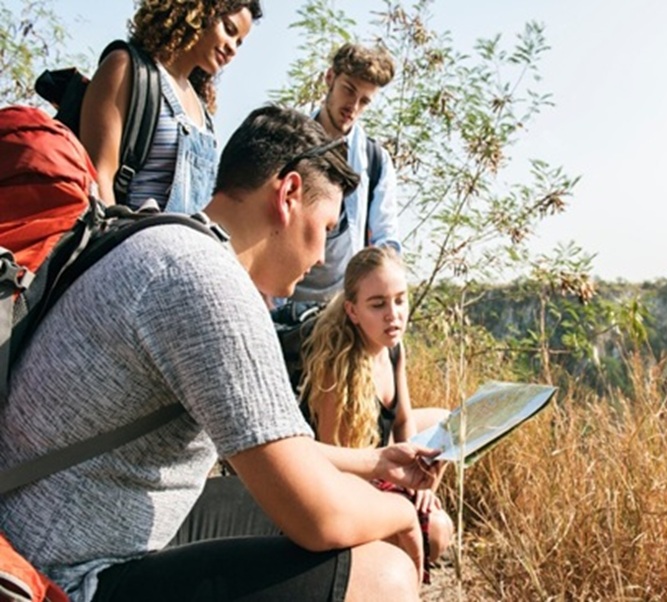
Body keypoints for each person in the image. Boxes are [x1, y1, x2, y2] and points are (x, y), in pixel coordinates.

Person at [0, 105, 439, 602]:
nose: (321, 257)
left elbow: (275, 444)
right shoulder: (209, 284)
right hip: (64, 573)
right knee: (382, 572)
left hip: (53, 525)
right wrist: (404, 514)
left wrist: (377, 462)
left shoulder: (163, 237)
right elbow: (320, 517)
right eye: (326, 226)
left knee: (354, 510)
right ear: (289, 194)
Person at [301, 246, 453, 568]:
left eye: (400, 299)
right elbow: (331, 466)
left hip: (381, 461)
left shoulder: (393, 349)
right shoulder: (338, 367)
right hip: (347, 476)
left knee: (448, 423)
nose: (393, 314)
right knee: (437, 530)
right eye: (378, 304)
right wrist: (395, 491)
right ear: (353, 311)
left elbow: (403, 422)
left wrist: (420, 479)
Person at [80, 0, 262, 212]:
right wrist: (114, 240)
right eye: (229, 30)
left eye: (239, 42)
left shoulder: (204, 113)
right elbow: (98, 174)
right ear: (199, 13)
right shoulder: (127, 68)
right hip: (127, 239)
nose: (232, 49)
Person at [289, 42, 401, 303]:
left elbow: (387, 239)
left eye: (364, 101)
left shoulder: (375, 160)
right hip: (284, 302)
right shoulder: (289, 142)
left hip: (343, 308)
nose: (353, 106)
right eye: (348, 90)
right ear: (330, 78)